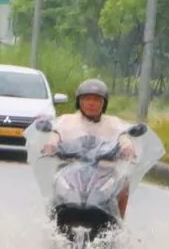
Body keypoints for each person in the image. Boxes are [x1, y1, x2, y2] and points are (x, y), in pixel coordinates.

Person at [42, 78, 136, 218]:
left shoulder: (113, 122)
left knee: (124, 183)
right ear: (79, 101)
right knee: (56, 182)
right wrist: (51, 144)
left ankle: (119, 221)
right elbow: (55, 134)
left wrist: (127, 147)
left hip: (104, 172)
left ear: (104, 103)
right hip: (69, 170)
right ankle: (52, 219)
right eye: (87, 99)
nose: (91, 103)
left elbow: (122, 137)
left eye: (97, 99)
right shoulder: (66, 120)